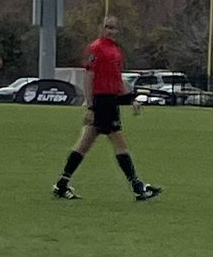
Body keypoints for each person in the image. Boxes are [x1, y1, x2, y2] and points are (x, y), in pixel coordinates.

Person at [52, 15, 162, 202]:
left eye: (113, 28)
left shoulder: (116, 51)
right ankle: (137, 187)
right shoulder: (96, 49)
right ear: (101, 28)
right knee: (120, 144)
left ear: (118, 30)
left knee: (84, 143)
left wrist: (131, 98)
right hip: (102, 102)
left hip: (110, 101)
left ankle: (62, 184)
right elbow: (89, 78)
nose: (110, 31)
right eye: (107, 27)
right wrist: (91, 106)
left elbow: (117, 79)